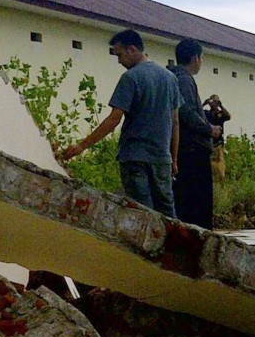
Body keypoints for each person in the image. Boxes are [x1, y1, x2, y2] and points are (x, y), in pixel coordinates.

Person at [61, 29, 181, 216]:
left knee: (141, 213)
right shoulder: (170, 78)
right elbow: (175, 122)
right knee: (167, 212)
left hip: (134, 157)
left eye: (119, 54)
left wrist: (82, 146)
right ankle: (175, 245)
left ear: (132, 49)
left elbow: (114, 119)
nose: (119, 60)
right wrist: (173, 159)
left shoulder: (131, 78)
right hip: (161, 159)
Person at [170, 38, 222, 228]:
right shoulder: (184, 79)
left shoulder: (174, 76)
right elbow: (186, 112)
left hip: (182, 147)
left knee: (185, 200)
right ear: (196, 58)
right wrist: (210, 129)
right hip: (192, 148)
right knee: (198, 202)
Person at [203, 93, 231, 182]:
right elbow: (197, 113)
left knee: (220, 164)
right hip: (209, 142)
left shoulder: (220, 114)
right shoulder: (206, 113)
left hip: (218, 143)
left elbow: (228, 116)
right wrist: (204, 103)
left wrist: (221, 106)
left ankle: (220, 180)